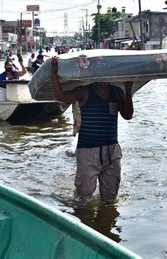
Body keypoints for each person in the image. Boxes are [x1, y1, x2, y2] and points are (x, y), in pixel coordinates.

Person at [50, 56, 134, 204]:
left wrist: (128, 89)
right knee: (83, 197)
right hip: (88, 151)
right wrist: (53, 73)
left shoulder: (117, 92)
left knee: (110, 199)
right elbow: (61, 96)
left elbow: (128, 115)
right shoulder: (84, 91)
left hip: (112, 150)